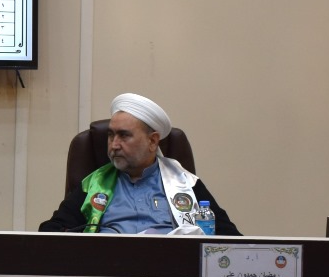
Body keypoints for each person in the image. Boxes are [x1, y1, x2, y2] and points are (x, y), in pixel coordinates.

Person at [39, 92, 239, 235]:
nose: (114, 145)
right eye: (111, 135)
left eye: (124, 136)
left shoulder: (185, 182)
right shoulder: (94, 184)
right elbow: (51, 232)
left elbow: (229, 238)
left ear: (152, 141)